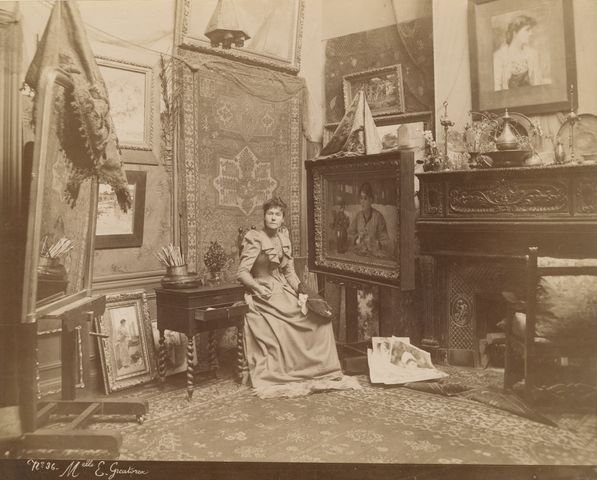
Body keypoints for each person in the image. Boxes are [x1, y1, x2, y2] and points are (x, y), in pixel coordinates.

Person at [237, 196, 360, 398]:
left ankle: (322, 370)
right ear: (264, 216)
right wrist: (257, 288)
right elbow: (242, 272)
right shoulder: (255, 238)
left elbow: (289, 273)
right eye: (270, 213)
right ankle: (288, 372)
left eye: (277, 214)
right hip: (263, 293)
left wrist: (304, 291)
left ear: (283, 219)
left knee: (319, 317)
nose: (273, 217)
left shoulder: (284, 238)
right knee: (292, 319)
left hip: (284, 290)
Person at [493, 15, 546, 91]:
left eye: (531, 30)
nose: (531, 33)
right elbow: (496, 88)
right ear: (515, 33)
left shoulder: (533, 54)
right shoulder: (499, 56)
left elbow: (538, 83)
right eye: (527, 30)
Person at [347, 182, 391, 257]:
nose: (362, 202)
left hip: (374, 256)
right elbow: (349, 234)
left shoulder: (378, 217)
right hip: (359, 253)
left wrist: (377, 243)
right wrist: (356, 239)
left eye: (365, 198)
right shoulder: (358, 216)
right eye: (361, 198)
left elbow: (386, 242)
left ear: (371, 200)